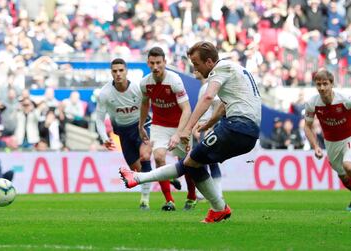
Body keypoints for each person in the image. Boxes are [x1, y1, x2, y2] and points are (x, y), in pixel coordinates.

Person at [120, 41, 261, 223]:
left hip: (237, 127)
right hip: (248, 133)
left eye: (196, 63)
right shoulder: (236, 70)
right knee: (192, 162)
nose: (195, 68)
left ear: (209, 62)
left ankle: (139, 178)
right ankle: (217, 209)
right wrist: (208, 123)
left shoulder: (220, 69)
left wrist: (187, 128)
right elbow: (223, 107)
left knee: (191, 162)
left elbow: (208, 97)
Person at [138, 47, 195, 211]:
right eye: (152, 63)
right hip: (159, 125)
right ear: (148, 63)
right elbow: (144, 103)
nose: (155, 66)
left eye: (158, 63)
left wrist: (179, 133)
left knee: (187, 164)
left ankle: (191, 196)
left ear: (165, 62)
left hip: (180, 125)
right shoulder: (145, 83)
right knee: (159, 156)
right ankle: (169, 201)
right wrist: (141, 125)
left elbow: (187, 109)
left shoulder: (175, 81)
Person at [96, 58, 153, 210]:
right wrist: (104, 138)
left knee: (145, 156)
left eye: (121, 70)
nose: (118, 74)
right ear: (111, 73)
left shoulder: (137, 88)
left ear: (126, 71)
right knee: (138, 169)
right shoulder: (105, 93)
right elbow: (99, 120)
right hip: (123, 132)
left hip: (142, 126)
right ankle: (164, 176)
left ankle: (144, 200)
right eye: (115, 71)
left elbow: (149, 106)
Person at [304, 69, 351, 211]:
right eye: (319, 84)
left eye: (325, 84)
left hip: (348, 138)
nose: (322, 88)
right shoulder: (312, 103)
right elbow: (307, 126)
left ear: (332, 84)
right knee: (343, 177)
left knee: (348, 166)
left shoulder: (345, 101)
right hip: (331, 143)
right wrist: (315, 146)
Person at [192, 70, 222, 200]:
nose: (194, 70)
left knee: (208, 161)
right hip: (203, 128)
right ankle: (213, 192)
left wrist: (211, 127)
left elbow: (217, 106)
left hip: (208, 128)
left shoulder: (209, 86)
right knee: (206, 161)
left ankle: (215, 192)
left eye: (197, 67)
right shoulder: (204, 87)